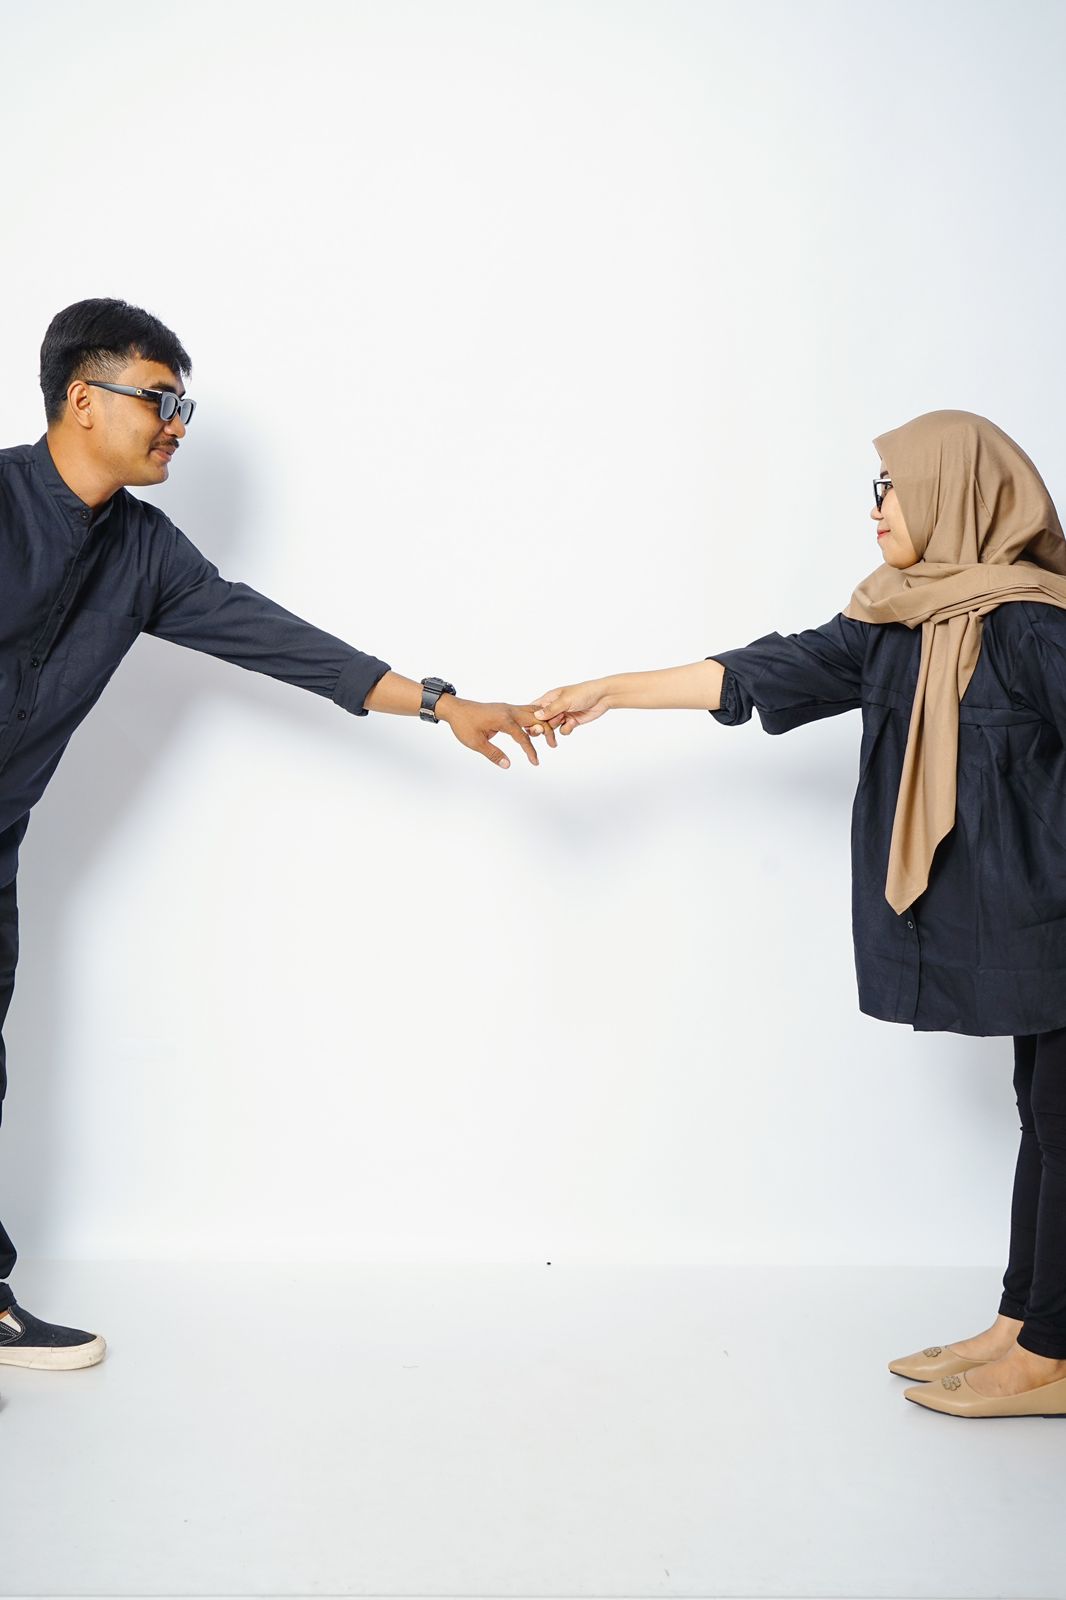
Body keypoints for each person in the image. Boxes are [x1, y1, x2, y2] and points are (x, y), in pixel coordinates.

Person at [0, 297, 550, 1371]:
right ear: (81, 398)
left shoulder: (145, 553)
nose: (176, 425)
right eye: (158, 399)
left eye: (183, 406)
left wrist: (441, 703)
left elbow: (273, 638)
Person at [527, 409, 1066, 1419]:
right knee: (1043, 1116)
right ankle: (1023, 1324)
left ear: (956, 493)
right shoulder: (897, 622)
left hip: (1056, 916)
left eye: (893, 487)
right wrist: (611, 690)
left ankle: (1053, 1355)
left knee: (1061, 1120)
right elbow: (759, 671)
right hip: (1030, 928)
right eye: (875, 490)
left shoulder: (1038, 626)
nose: (877, 509)